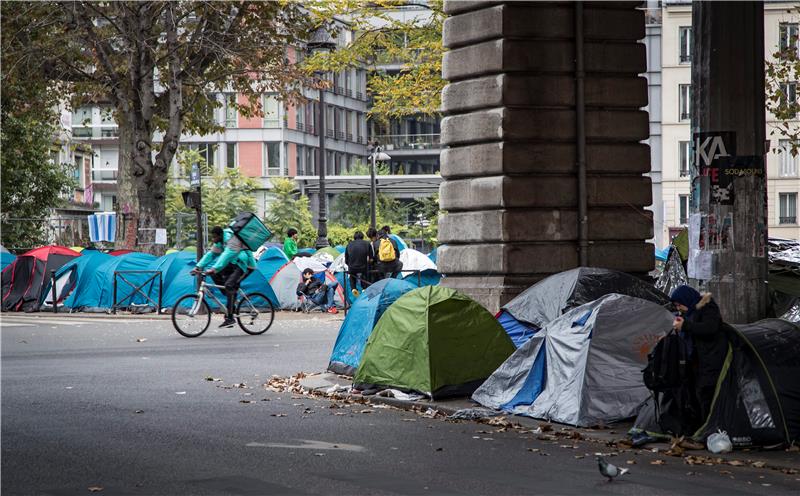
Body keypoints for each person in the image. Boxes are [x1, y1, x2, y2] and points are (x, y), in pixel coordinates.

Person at [670, 285, 728, 423]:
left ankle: (708, 427)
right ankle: (698, 426)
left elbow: (710, 328)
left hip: (710, 359)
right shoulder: (689, 312)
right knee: (694, 393)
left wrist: (685, 326)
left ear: (687, 299)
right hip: (696, 361)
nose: (679, 308)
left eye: (680, 305)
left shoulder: (708, 308)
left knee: (706, 393)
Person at [192, 225, 256, 328]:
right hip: (232, 264)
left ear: (220, 235)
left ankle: (230, 318)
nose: (213, 239)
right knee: (221, 281)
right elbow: (211, 254)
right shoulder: (220, 242)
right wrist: (198, 266)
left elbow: (227, 255)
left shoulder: (231, 239)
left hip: (244, 265)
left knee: (229, 285)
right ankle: (231, 302)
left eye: (214, 237)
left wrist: (214, 268)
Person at [345, 231, 371, 297]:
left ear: (354, 237)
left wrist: (351, 265)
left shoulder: (349, 245)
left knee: (352, 276)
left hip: (352, 267)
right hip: (363, 267)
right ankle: (364, 288)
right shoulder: (367, 243)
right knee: (365, 274)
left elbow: (346, 260)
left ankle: (353, 288)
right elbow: (371, 258)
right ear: (362, 236)